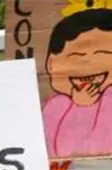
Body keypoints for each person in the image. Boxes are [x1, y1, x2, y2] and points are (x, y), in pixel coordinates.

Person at [42, 6, 112, 158]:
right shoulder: (54, 106)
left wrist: (84, 107)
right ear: (51, 64)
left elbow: (99, 149)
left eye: (103, 54)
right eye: (77, 55)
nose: (89, 64)